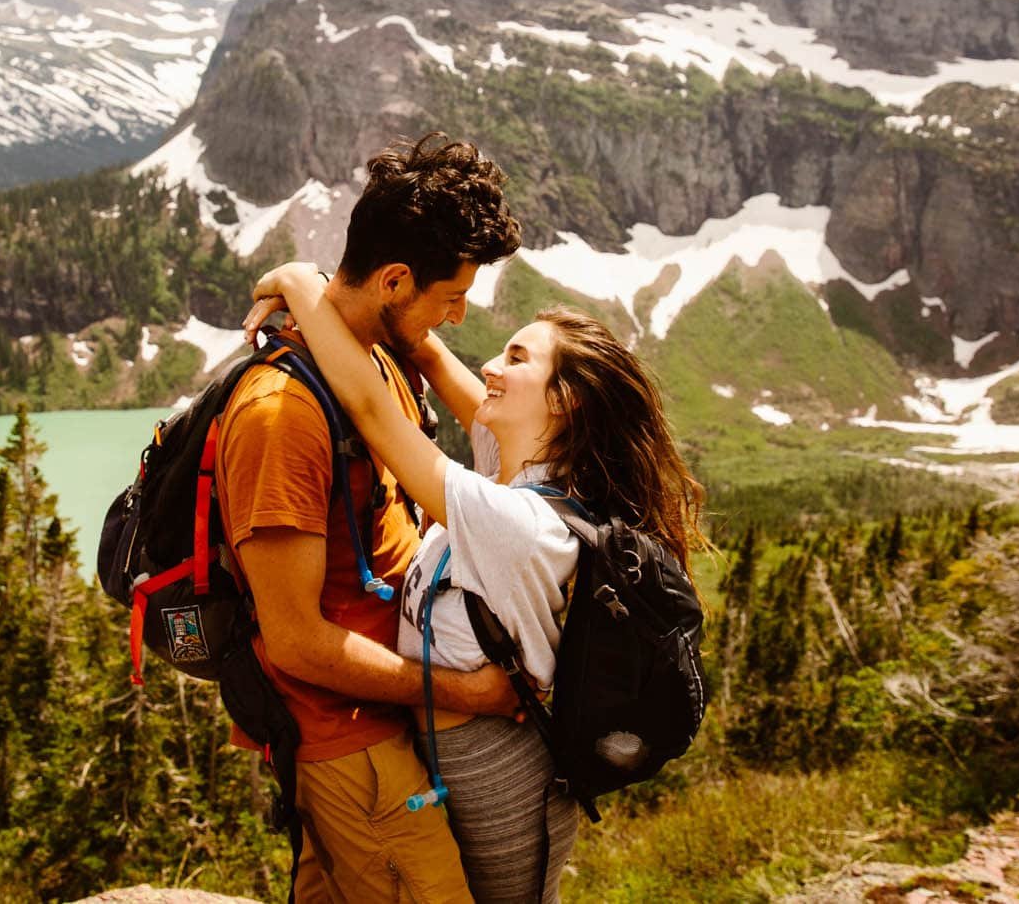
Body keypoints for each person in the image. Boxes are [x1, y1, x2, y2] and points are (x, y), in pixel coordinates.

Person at [243, 268, 708, 904]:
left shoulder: (516, 522)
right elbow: (434, 359)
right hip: (453, 747)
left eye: (516, 358)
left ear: (565, 402)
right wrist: (350, 288)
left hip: (494, 769)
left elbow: (373, 411)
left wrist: (299, 284)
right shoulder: (526, 482)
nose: (490, 364)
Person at [214, 134, 522, 903]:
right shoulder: (282, 417)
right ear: (393, 279)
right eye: (450, 298)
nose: (455, 318)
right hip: (347, 739)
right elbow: (293, 636)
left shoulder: (377, 351)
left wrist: (296, 276)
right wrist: (466, 690)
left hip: (385, 719)